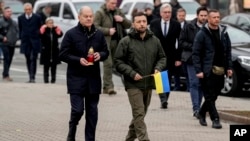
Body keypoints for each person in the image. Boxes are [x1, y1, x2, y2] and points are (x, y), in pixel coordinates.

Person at [114, 11, 166, 141]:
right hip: (133, 84)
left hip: (148, 83)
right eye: (139, 22)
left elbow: (162, 58)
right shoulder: (126, 41)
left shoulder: (155, 40)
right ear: (133, 24)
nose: (142, 24)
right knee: (139, 113)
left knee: (140, 115)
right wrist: (132, 73)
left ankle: (129, 138)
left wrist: (158, 68)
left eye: (144, 21)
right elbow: (118, 62)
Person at [59, 6, 109, 141]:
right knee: (78, 110)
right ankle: (72, 129)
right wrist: (78, 60)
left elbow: (106, 51)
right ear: (79, 17)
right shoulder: (71, 34)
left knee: (92, 113)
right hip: (76, 79)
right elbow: (62, 54)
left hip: (93, 80)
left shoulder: (98, 34)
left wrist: (101, 55)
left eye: (90, 16)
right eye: (85, 16)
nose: (88, 18)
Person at [192, 9, 233, 129]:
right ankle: (215, 119)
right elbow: (196, 53)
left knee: (215, 94)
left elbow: (228, 51)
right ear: (208, 19)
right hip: (207, 70)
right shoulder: (202, 34)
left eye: (218, 17)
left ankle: (201, 113)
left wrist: (229, 67)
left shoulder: (224, 33)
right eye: (214, 17)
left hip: (220, 70)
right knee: (209, 95)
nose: (216, 19)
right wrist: (199, 70)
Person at [94, 0, 131, 95]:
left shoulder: (119, 12)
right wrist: (107, 31)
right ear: (107, 2)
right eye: (112, 3)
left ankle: (129, 85)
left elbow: (129, 25)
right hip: (105, 43)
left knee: (120, 64)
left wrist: (122, 20)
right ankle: (108, 87)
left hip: (118, 42)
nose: (114, 5)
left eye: (115, 3)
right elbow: (94, 27)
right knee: (108, 64)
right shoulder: (100, 13)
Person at [150, 3, 181, 109]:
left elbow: (179, 42)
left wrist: (178, 58)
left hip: (171, 56)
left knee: (167, 78)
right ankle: (163, 99)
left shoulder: (176, 25)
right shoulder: (154, 23)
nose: (167, 14)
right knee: (159, 77)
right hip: (157, 56)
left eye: (169, 12)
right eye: (165, 12)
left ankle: (165, 99)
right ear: (161, 13)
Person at [179, 6, 208, 118]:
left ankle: (200, 108)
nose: (204, 18)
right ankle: (196, 108)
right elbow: (182, 42)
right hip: (191, 59)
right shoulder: (189, 26)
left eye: (205, 15)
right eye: (202, 15)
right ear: (197, 15)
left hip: (204, 60)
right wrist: (195, 47)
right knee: (194, 83)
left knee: (201, 84)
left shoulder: (209, 27)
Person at [18, 3, 42, 83]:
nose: (28, 11)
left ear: (32, 9)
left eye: (29, 9)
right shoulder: (20, 18)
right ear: (24, 10)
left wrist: (38, 36)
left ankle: (32, 77)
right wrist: (21, 37)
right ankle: (30, 76)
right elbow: (20, 28)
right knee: (28, 59)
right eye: (26, 9)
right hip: (25, 41)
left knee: (33, 58)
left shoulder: (37, 17)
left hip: (35, 41)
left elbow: (40, 27)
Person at [39, 18, 63, 83]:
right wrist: (42, 29)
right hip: (46, 51)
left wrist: (58, 29)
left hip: (54, 51)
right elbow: (40, 35)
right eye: (49, 23)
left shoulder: (54, 30)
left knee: (54, 67)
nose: (51, 24)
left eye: (52, 23)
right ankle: (46, 80)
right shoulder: (45, 30)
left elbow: (60, 35)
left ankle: (53, 80)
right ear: (46, 24)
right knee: (46, 66)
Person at [0, 6, 19, 81]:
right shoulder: (1, 21)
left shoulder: (14, 22)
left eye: (10, 12)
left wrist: (17, 38)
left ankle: (6, 73)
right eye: (7, 11)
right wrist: (2, 37)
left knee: (10, 59)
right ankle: (5, 74)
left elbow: (17, 31)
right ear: (4, 13)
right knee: (7, 58)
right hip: (4, 43)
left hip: (12, 43)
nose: (9, 13)